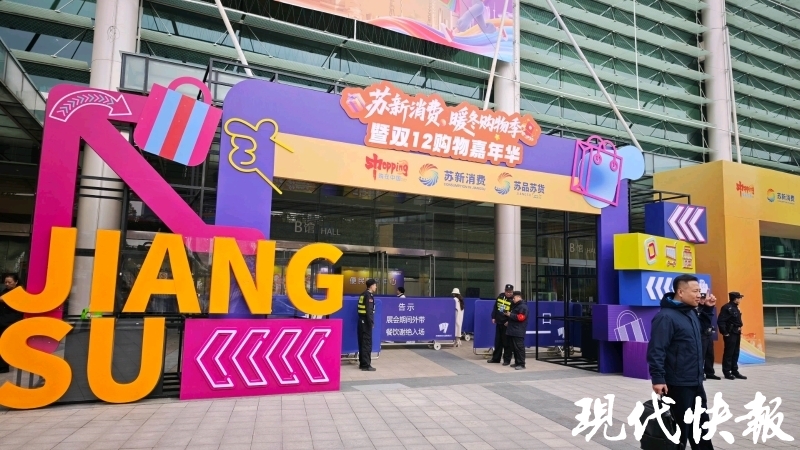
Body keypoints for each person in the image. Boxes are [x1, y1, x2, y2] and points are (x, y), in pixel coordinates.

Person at [647, 274, 715, 450]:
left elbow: (701, 332)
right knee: (678, 431)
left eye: (700, 291)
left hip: (695, 381)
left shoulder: (690, 313)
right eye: (695, 291)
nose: (699, 295)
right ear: (681, 292)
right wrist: (658, 378)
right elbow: (657, 349)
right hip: (677, 384)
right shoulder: (666, 317)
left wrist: (708, 310)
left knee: (701, 427)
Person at [718, 292, 747, 380]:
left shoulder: (736, 307)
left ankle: (734, 371)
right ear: (735, 299)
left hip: (737, 332)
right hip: (730, 333)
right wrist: (725, 332)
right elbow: (721, 321)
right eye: (739, 298)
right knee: (729, 353)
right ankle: (727, 372)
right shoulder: (727, 307)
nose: (740, 299)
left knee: (735, 352)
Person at [0, 274, 24, 374]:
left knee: (5, 345)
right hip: (3, 321)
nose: (7, 284)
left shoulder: (19, 292)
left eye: (9, 282)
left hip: (10, 322)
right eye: (5, 282)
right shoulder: (5, 291)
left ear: (16, 282)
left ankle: (3, 367)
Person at [488, 284, 514, 365]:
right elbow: (495, 308)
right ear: (505, 291)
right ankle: (496, 358)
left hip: (506, 324)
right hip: (499, 322)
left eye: (510, 292)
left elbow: (514, 312)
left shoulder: (513, 300)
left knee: (507, 343)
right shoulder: (500, 297)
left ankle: (506, 360)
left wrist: (509, 321)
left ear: (512, 292)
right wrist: (493, 317)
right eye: (507, 291)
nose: (508, 293)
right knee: (498, 342)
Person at [697, 291, 720, 380]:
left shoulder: (709, 308)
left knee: (710, 355)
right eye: (701, 299)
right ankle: (700, 373)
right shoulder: (697, 309)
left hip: (709, 334)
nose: (703, 300)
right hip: (701, 335)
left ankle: (710, 372)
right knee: (701, 355)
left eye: (704, 299)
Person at [357, 279, 378, 372]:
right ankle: (366, 365)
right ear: (371, 286)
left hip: (361, 321)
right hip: (366, 322)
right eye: (375, 285)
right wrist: (371, 323)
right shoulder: (369, 296)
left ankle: (362, 363)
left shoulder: (362, 294)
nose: (376, 287)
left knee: (362, 342)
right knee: (367, 343)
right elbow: (369, 311)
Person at [504, 291, 528, 370]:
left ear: (519, 297)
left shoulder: (522, 306)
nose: (513, 299)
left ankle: (521, 364)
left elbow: (521, 317)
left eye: (514, 298)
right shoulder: (517, 306)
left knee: (519, 347)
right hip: (514, 330)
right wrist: (509, 322)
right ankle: (517, 362)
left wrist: (510, 314)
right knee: (515, 348)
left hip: (518, 330)